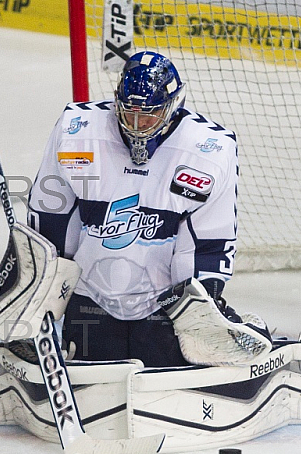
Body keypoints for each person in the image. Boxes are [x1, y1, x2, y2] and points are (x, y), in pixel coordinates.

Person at [27, 50, 258, 367]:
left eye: (148, 115)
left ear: (172, 107)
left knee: (168, 377)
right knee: (89, 372)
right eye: (129, 113)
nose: (137, 125)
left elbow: (207, 241)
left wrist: (202, 305)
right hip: (90, 296)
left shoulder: (209, 151)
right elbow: (51, 220)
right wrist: (36, 289)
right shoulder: (77, 132)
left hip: (163, 304)